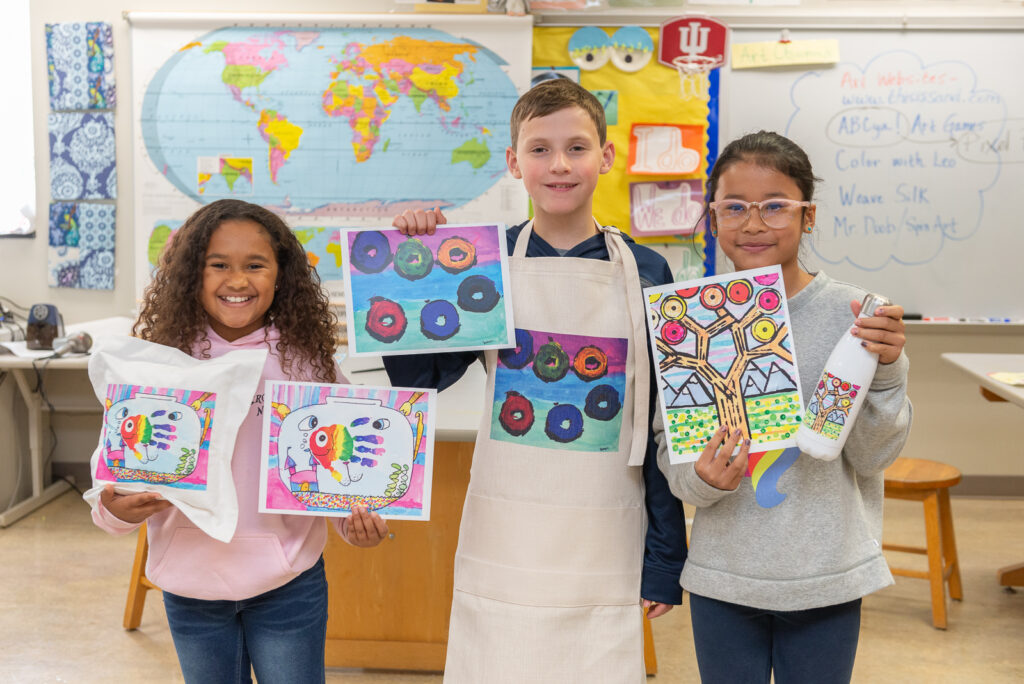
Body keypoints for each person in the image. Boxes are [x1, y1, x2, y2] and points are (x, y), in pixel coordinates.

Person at [384, 78, 686, 682]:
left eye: (577, 148)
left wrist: (664, 559)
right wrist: (411, 264)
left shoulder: (648, 271)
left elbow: (661, 422)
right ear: (514, 163)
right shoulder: (482, 263)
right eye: (540, 149)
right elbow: (420, 377)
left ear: (606, 156)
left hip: (603, 536)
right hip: (508, 536)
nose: (559, 165)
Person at [90, 199, 388, 684]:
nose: (237, 280)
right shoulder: (159, 363)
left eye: (255, 265)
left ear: (281, 274)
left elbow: (339, 470)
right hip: (190, 585)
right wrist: (115, 511)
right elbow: (109, 482)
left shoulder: (306, 363)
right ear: (192, 273)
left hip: (288, 584)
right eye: (218, 265)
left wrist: (353, 524)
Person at [655, 131, 912, 684]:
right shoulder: (688, 319)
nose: (753, 223)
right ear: (712, 216)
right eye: (734, 207)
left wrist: (889, 372)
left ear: (808, 215)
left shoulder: (856, 317)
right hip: (723, 574)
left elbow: (873, 457)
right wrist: (700, 480)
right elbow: (671, 449)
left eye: (774, 206)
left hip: (826, 575)